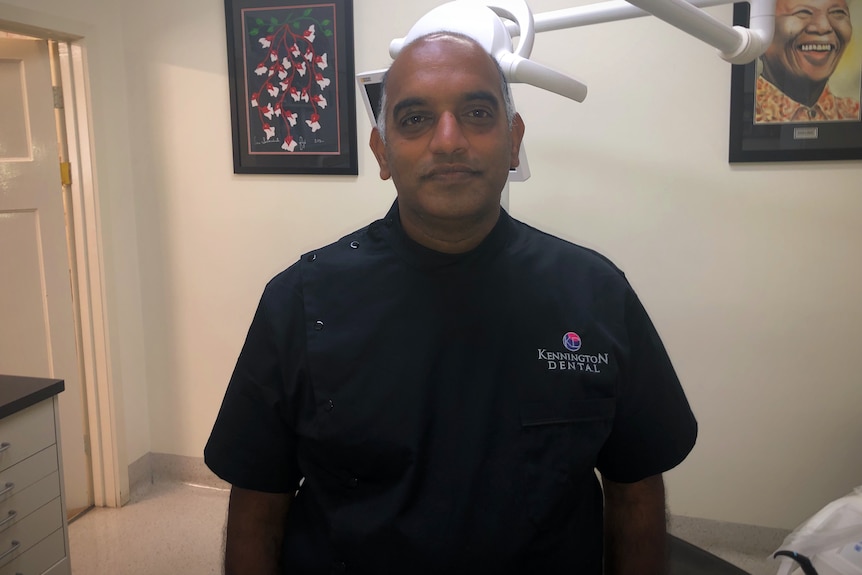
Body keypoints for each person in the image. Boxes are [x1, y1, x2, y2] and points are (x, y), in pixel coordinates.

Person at [205, 32, 697, 575]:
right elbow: (258, 504)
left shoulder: (595, 293)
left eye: (477, 112)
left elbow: (635, 492)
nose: (448, 140)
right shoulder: (299, 301)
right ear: (382, 151)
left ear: (513, 142)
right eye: (415, 119)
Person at [756, 0, 860, 123]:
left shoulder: (851, 114)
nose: (823, 27)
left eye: (837, 12)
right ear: (762, 28)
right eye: (803, 12)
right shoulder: (744, 110)